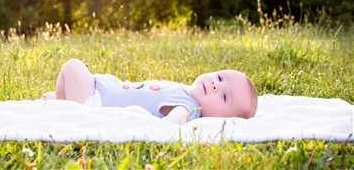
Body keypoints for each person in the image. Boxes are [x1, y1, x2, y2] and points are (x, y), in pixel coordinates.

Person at [42, 59, 258, 124]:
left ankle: (69, 106)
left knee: (73, 67)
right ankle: (62, 102)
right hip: (100, 88)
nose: (215, 85)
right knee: (68, 75)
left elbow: (172, 124)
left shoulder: (189, 108)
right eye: (219, 77)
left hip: (96, 103)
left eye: (224, 96)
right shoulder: (186, 90)